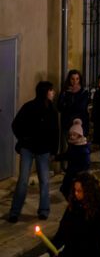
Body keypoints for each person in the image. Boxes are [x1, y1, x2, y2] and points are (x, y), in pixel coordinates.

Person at [8, 81, 59, 222]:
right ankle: (15, 212)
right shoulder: (29, 107)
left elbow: (55, 132)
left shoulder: (52, 110)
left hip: (43, 149)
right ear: (45, 92)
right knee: (23, 180)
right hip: (28, 148)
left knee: (44, 181)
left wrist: (53, 150)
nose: (53, 93)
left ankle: (43, 210)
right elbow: (16, 124)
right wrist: (23, 138)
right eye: (51, 90)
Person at [52, 171, 100, 257]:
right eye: (75, 190)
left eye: (79, 191)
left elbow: (93, 242)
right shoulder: (73, 207)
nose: (76, 194)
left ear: (89, 192)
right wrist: (53, 247)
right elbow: (63, 230)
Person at [56, 70, 90, 164]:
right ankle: (72, 168)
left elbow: (80, 107)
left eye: (77, 79)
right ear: (69, 79)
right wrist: (67, 99)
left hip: (80, 125)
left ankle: (78, 168)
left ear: (80, 80)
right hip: (67, 123)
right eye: (72, 79)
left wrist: (68, 105)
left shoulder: (84, 92)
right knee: (71, 147)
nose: (75, 81)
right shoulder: (65, 92)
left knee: (79, 148)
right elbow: (59, 107)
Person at [59, 119, 91, 200]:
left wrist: (81, 174)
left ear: (79, 135)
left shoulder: (83, 149)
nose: (71, 136)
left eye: (74, 135)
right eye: (70, 135)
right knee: (66, 190)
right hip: (70, 172)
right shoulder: (72, 145)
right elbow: (68, 155)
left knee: (76, 193)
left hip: (78, 175)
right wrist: (57, 157)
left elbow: (86, 163)